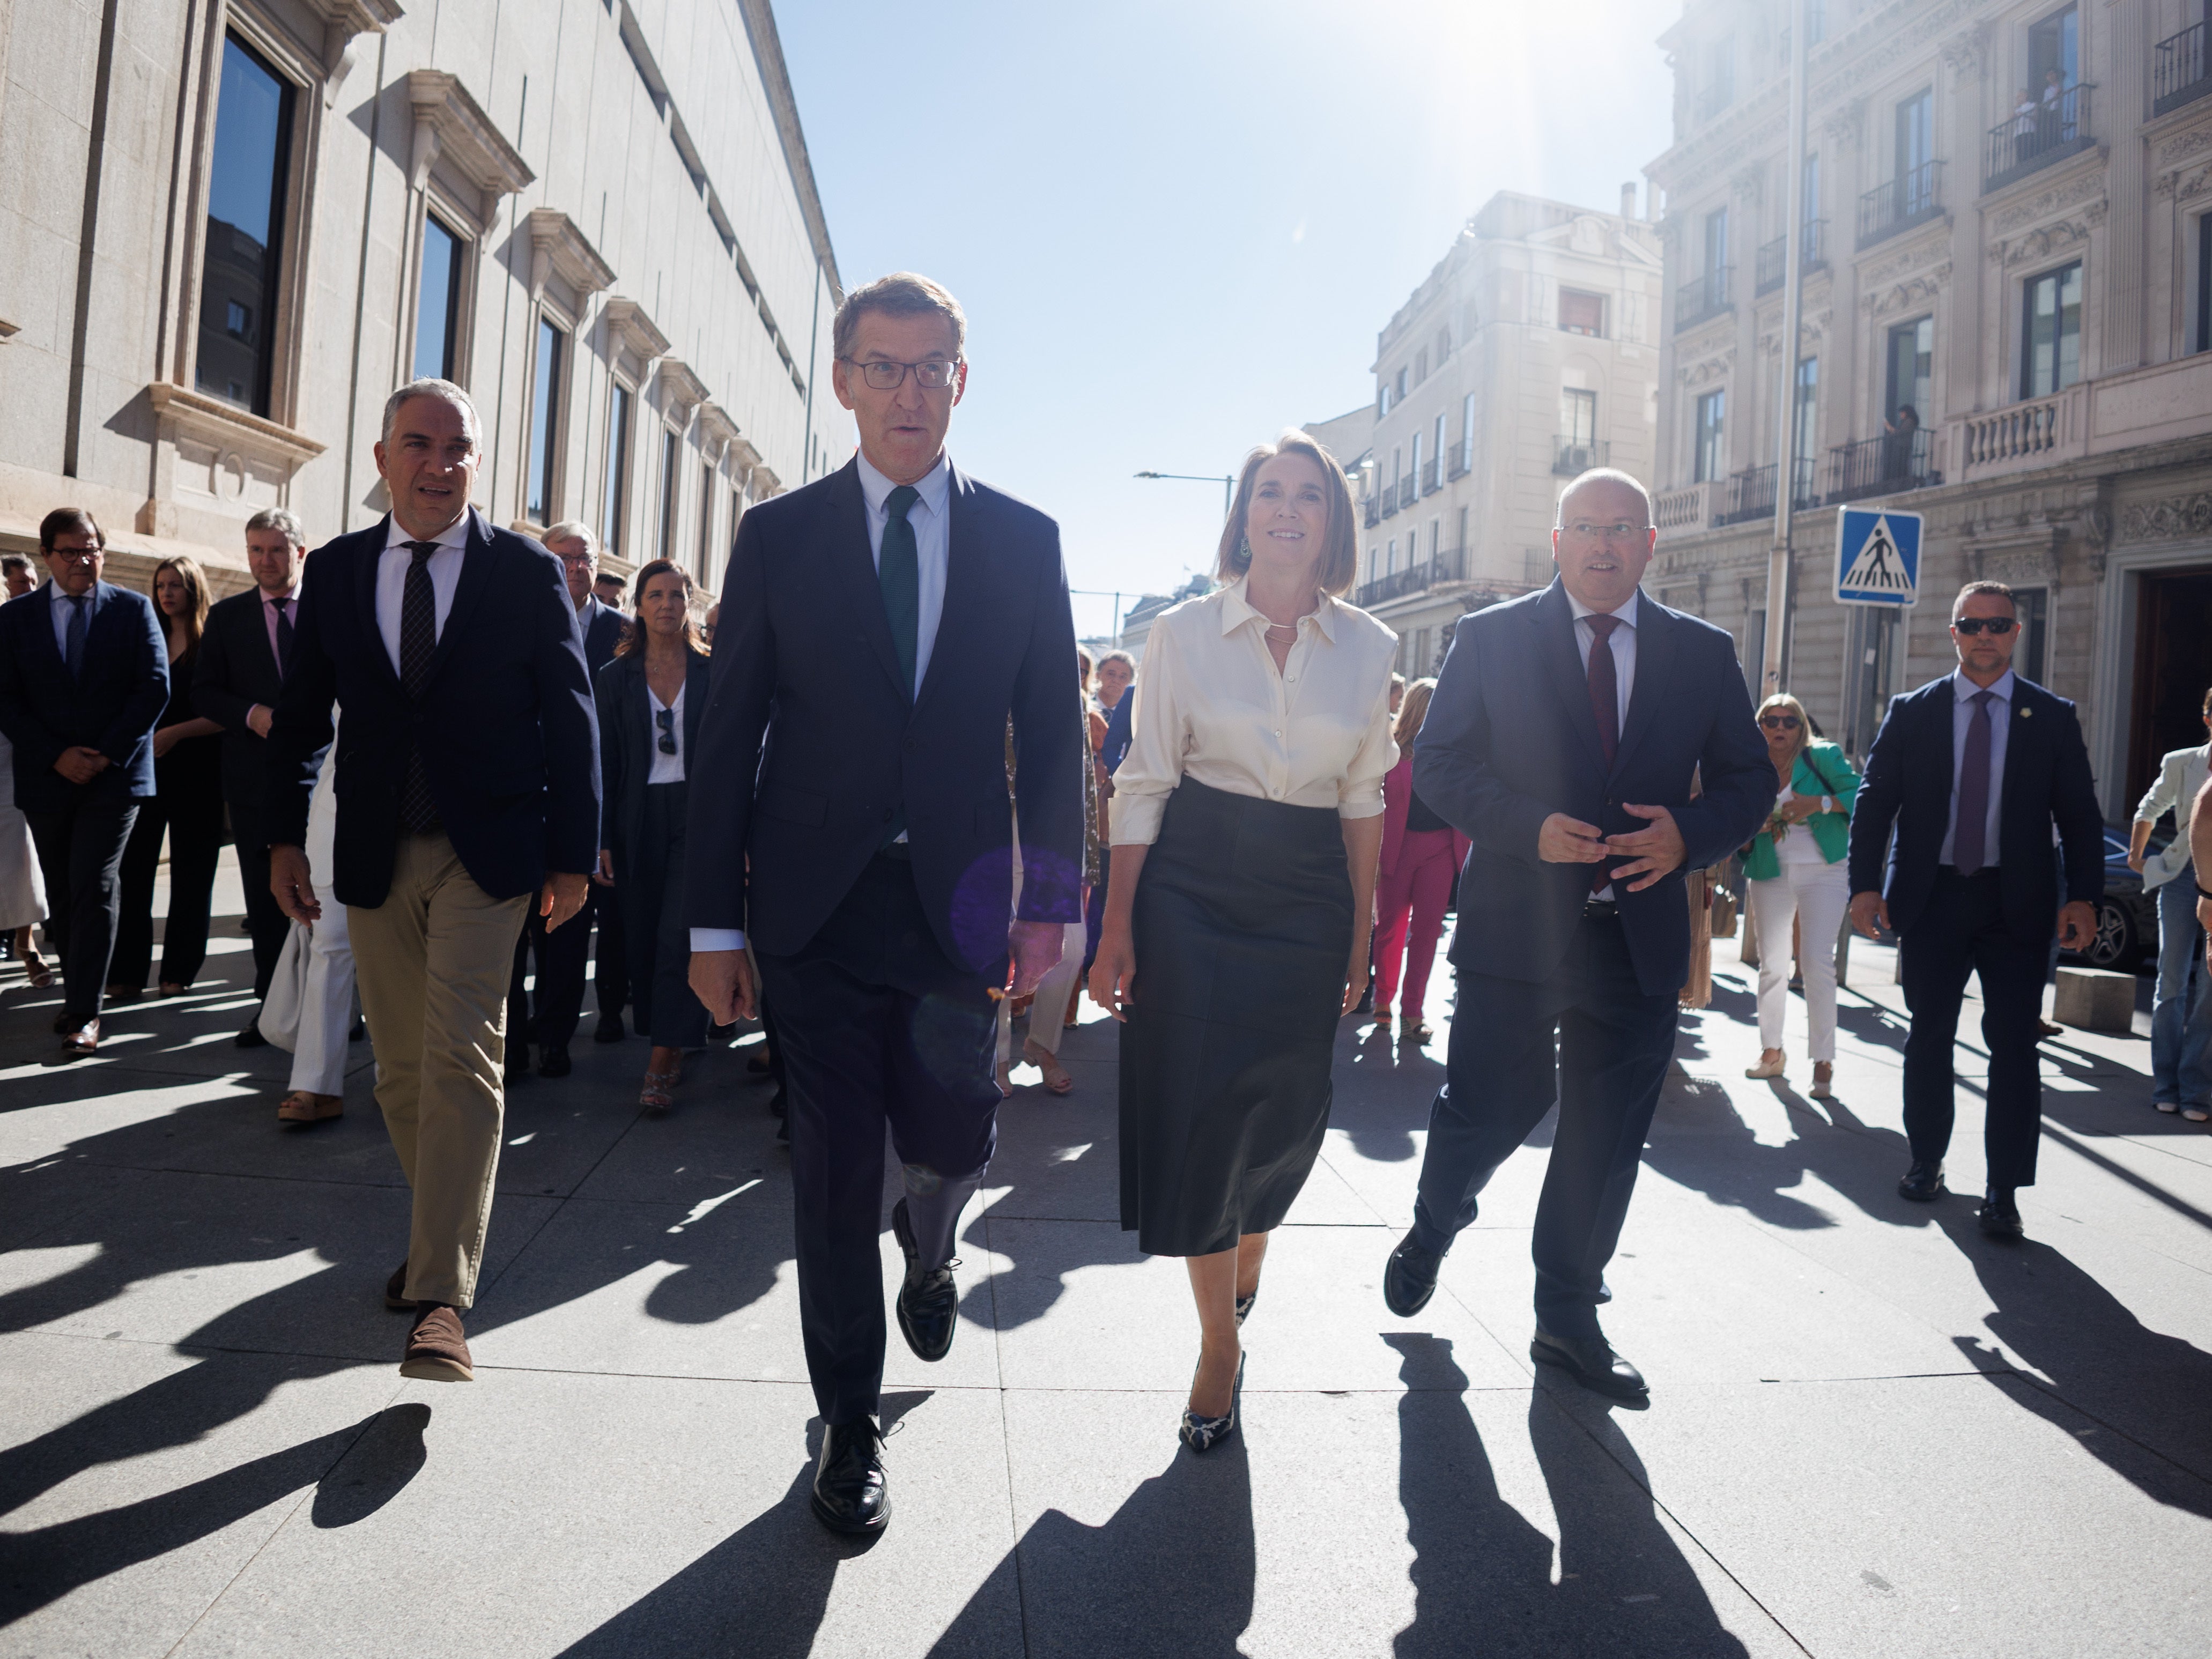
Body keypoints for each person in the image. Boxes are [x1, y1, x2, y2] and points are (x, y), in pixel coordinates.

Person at [686, 272, 1084, 1535]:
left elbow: (1052, 741)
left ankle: (933, 1239)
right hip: (812, 910)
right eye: (882, 366)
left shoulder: (1024, 541)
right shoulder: (780, 538)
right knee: (829, 1170)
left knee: (952, 1125)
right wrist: (711, 924)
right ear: (845, 379)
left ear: (960, 382)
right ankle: (848, 1426)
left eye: (931, 370)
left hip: (958, 910)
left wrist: (1050, 907)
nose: (908, 392)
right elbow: (727, 732)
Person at [1379, 469, 1770, 1400]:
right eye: (1586, 528)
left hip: (1632, 938)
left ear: (1649, 543)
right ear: (1556, 540)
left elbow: (1748, 781)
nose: (1603, 544)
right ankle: (1437, 1218)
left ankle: (1566, 1317)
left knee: (1605, 1136)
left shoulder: (1702, 652)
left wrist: (1690, 833)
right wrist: (1523, 822)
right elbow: (1437, 761)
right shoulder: (1490, 635)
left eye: (1622, 528)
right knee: (1486, 1108)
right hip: (1519, 924)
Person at [264, 376, 598, 1383]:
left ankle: (443, 1298)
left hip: (486, 852)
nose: (440, 464)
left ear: (477, 463)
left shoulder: (527, 573)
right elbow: (301, 710)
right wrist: (284, 838)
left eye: (459, 448)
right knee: (402, 1071)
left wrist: (574, 854)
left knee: (462, 1057)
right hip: (371, 849)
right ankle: (436, 1234)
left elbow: (573, 717)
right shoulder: (339, 571)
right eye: (420, 443)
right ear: (382, 457)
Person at [1092, 430, 1395, 1454]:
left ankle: (1248, 1237)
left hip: (1309, 888)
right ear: (1245, 512)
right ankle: (1219, 1345)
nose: (1287, 509)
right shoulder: (1182, 632)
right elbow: (1143, 784)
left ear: (1332, 520)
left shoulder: (1373, 647)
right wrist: (1118, 924)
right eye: (1270, 491)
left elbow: (1363, 802)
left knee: (1283, 1112)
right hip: (1193, 882)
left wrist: (1362, 932)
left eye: (1309, 494)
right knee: (1199, 1115)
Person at [1848, 580, 2102, 1239]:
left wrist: (2083, 896)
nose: (1985, 634)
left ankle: (2004, 1189)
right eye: (1972, 624)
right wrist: (1863, 886)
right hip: (1931, 899)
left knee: (2014, 1046)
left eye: (1998, 624)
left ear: (2017, 633)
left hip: (2015, 903)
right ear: (1952, 633)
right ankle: (1926, 1162)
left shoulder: (2051, 716)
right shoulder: (1913, 711)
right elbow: (1876, 803)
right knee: (1929, 1035)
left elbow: (2078, 814)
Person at [0, 509, 168, 1055]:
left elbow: (153, 687)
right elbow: (7, 698)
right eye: (70, 552)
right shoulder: (16, 618)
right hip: (48, 777)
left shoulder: (133, 609)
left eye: (92, 549)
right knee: (65, 889)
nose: (83, 561)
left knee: (95, 882)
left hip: (113, 776)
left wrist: (103, 755)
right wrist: (56, 756)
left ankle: (86, 1011)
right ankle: (77, 993)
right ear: (47, 555)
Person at [509, 521, 628, 1074]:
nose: (576, 567)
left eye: (585, 559)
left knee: (567, 931)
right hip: (519, 800)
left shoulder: (624, 634)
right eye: (564, 557)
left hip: (581, 805)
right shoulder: (513, 618)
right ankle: (510, 1042)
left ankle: (555, 1038)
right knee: (511, 932)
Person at [595, 558, 713, 1111]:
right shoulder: (614, 678)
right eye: (655, 594)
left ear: (689, 603)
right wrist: (600, 838)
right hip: (635, 818)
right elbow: (604, 763)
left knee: (678, 935)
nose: (666, 604)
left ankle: (663, 1060)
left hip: (698, 818)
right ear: (638, 605)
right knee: (641, 935)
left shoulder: (715, 671)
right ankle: (674, 1030)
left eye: (676, 594)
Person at [196, 509, 307, 1047]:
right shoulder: (227, 617)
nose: (267, 561)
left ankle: (335, 1007)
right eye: (257, 551)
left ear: (299, 553)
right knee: (267, 902)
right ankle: (271, 1010)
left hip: (327, 781)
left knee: (329, 898)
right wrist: (250, 713)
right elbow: (205, 692)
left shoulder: (331, 614)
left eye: (277, 550)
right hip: (254, 782)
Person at [112, 556, 226, 1000]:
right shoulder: (147, 637)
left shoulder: (213, 640)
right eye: (161, 585)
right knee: (133, 872)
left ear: (193, 589)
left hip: (200, 771)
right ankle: (126, 971)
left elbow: (226, 710)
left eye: (176, 584)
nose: (167, 593)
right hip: (147, 772)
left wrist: (177, 734)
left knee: (194, 876)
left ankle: (178, 972)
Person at [1739, 693, 1859, 1098]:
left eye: (1789, 721)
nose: (1779, 728)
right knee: (1772, 963)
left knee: (1814, 962)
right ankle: (1771, 1052)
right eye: (1770, 721)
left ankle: (1822, 1060)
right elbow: (1730, 811)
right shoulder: (1748, 764)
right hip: (1768, 869)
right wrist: (1749, 828)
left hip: (1824, 870)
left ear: (1801, 725)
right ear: (1759, 726)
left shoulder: (1820, 756)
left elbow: (1861, 796)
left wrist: (1819, 803)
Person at [1004, 648, 1104, 1095]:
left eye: (1082, 670)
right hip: (997, 831)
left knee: (1072, 947)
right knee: (992, 946)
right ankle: (995, 1059)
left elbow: (1083, 789)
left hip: (1056, 839)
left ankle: (1042, 1045)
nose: (1075, 675)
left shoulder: (1080, 712)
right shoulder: (998, 686)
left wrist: (1088, 868)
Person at [2131, 698, 2212, 1121]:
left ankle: (2196, 1088)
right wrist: (2136, 854)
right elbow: (2149, 807)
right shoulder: (2182, 763)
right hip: (2183, 878)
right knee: (2172, 980)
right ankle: (2166, 1083)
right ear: (2206, 717)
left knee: (2210, 986)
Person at [1374, 676, 1466, 1043]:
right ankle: (1383, 999)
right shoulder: (1387, 749)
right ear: (1418, 709)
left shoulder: (1457, 751)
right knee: (1390, 929)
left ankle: (1413, 1010)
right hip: (1396, 848)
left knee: (1427, 932)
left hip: (1441, 848)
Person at [273, 730, 357, 1123]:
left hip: (435, 818)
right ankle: (317, 1084)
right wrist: (284, 841)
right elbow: (299, 733)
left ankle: (406, 1076)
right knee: (329, 946)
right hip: (338, 816)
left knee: (417, 955)